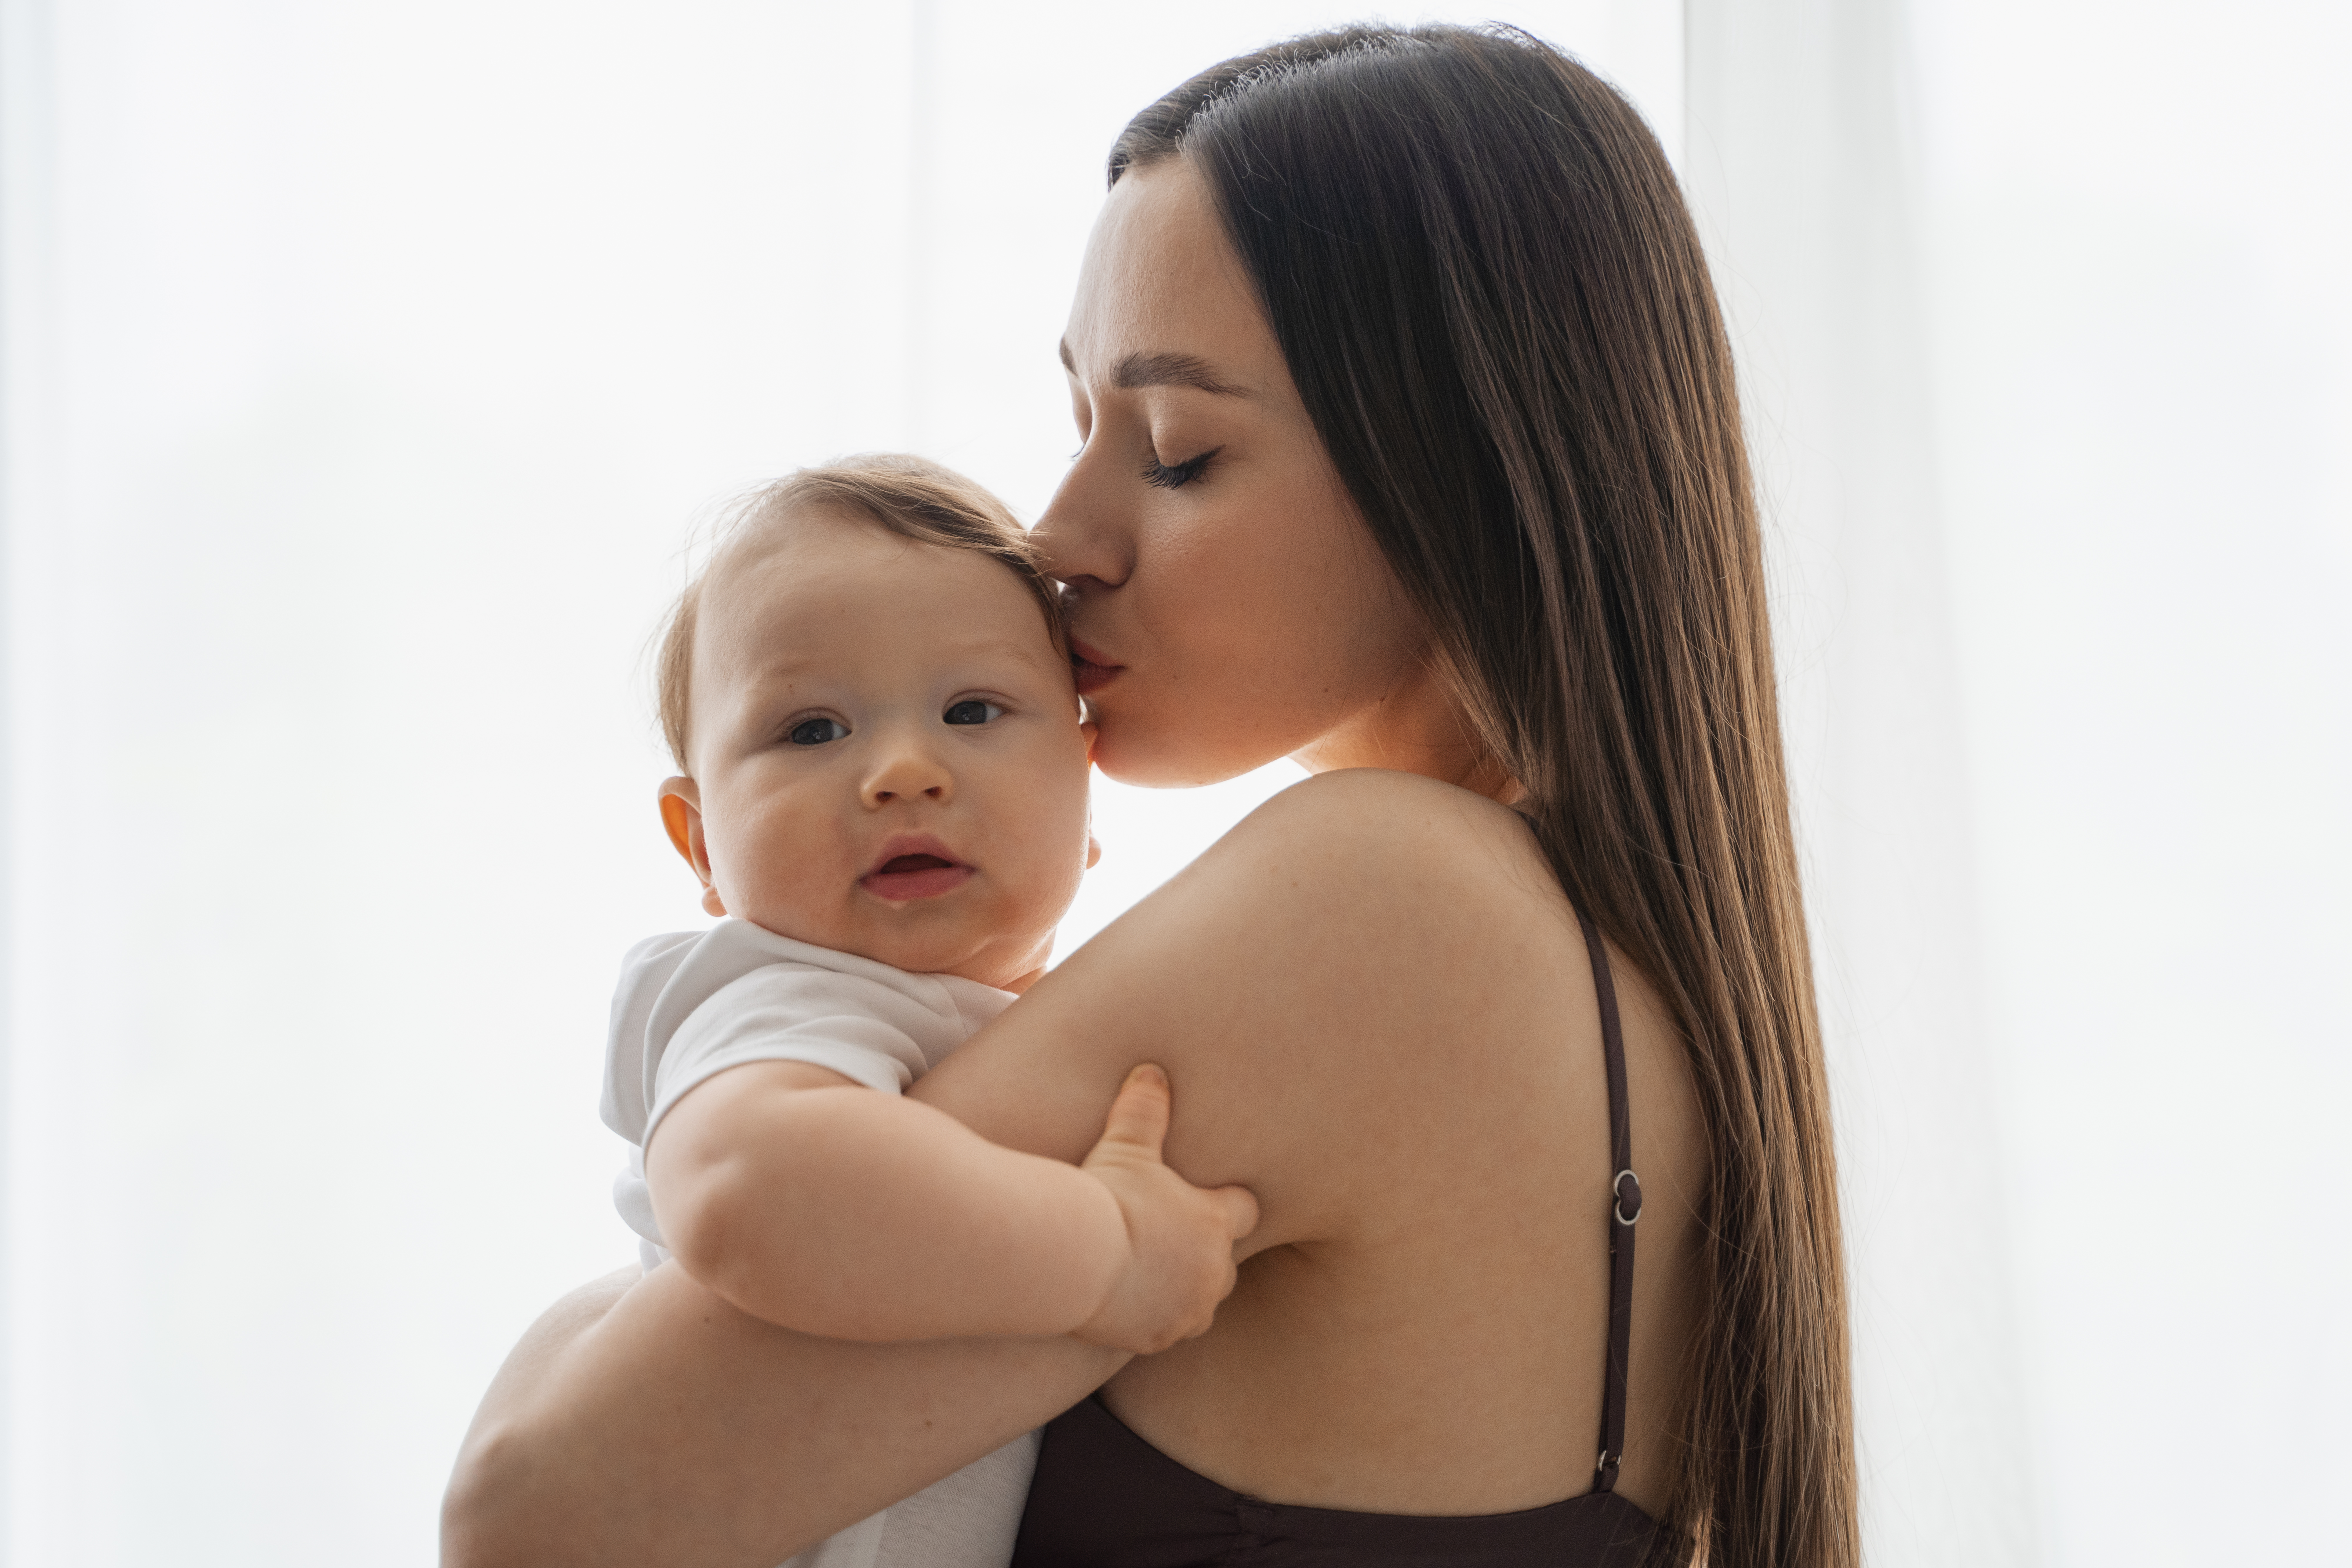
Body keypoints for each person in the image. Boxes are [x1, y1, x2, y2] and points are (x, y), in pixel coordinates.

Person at [444, 23, 1857, 1568]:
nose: (1055, 539)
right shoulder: (1613, 963)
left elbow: (534, 1514)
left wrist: (583, 1317)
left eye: (1177, 451)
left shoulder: (1382, 902)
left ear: (1463, 464)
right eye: (1080, 427)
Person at [596, 455, 1259, 1567]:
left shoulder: (1041, 1015)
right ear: (701, 843)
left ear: (1085, 786)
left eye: (972, 710)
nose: (903, 770)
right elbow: (746, 1187)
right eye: (812, 731)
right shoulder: (780, 997)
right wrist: (1105, 1253)